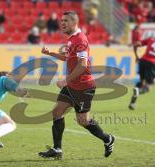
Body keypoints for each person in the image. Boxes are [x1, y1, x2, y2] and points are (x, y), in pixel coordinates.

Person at [38, 11, 115, 159]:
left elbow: (82, 65)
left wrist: (65, 80)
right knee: (57, 112)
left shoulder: (80, 39)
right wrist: (50, 53)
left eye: (65, 20)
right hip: (72, 86)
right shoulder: (71, 39)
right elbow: (68, 58)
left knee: (83, 121)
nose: (62, 23)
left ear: (74, 22)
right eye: (61, 20)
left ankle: (108, 139)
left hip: (83, 87)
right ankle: (57, 149)